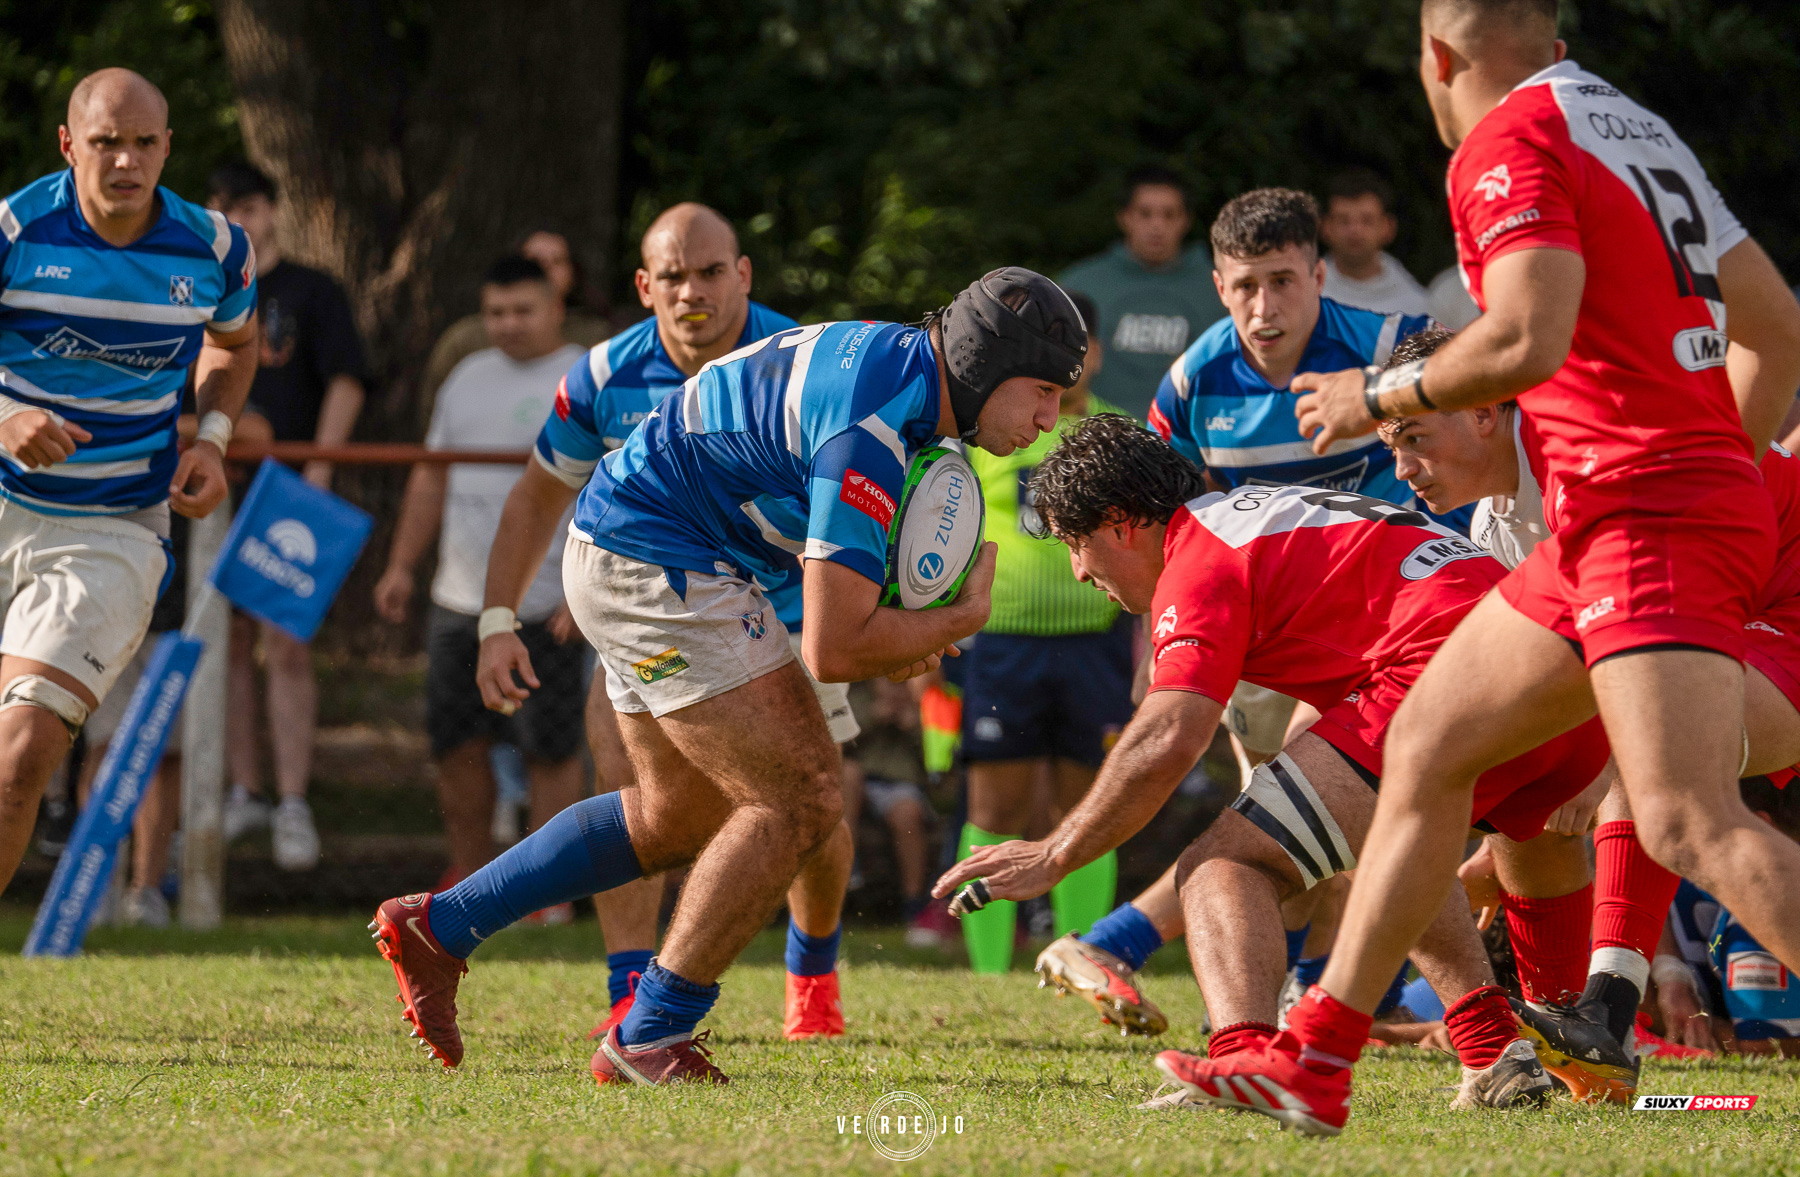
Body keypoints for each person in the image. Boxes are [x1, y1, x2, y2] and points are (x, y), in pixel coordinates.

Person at [1204, 0, 1800, 1134]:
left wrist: (1375, 395)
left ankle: (1343, 1047)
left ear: (1438, 56)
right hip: (1611, 523)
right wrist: (1715, 465)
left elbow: (1527, 336)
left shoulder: (1508, 140)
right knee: (1424, 750)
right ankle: (1314, 1059)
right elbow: (1776, 329)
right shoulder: (1634, 125)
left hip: (1641, 515)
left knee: (1687, 821)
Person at [367, 267, 1084, 1084]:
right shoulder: (877, 423)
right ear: (984, 364)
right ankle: (648, 1034)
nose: (1047, 417)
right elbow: (833, 648)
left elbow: (847, 611)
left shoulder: (906, 378)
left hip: (644, 545)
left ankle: (441, 926)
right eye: (1040, 391)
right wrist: (954, 621)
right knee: (804, 793)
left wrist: (902, 630)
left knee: (678, 815)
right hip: (659, 558)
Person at [931, 416, 1612, 1119]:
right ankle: (1519, 1050)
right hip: (1558, 681)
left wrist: (1055, 852)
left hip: (1444, 678)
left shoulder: (1197, 558)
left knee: (1222, 863)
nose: (1079, 569)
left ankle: (1244, 1063)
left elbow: (1171, 735)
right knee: (1383, 840)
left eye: (1077, 544)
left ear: (1119, 523)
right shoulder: (1248, 515)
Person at [0, 68, 258, 896]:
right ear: (69, 145)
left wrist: (213, 440)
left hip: (109, 527)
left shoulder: (216, 248)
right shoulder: (15, 228)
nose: (125, 160)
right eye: (106, 142)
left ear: (168, 147)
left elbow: (234, 342)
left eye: (144, 143)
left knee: (22, 754)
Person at [372, 255, 588, 909]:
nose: (508, 325)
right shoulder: (465, 376)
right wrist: (403, 564)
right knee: (455, 743)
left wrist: (585, 591)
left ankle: (549, 898)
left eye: (523, 310)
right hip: (459, 598)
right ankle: (470, 885)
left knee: (549, 752)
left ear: (556, 307)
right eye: (495, 312)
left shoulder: (585, 376)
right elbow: (431, 474)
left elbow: (612, 489)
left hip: (547, 601)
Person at [955, 290, 1134, 974]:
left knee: (1088, 806)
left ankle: (1082, 960)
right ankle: (990, 973)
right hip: (1004, 644)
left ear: (1097, 352)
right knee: (993, 802)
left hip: (1098, 645)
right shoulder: (987, 431)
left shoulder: (1118, 433)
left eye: (1079, 344)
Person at [207, 160, 368, 871]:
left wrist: (321, 465)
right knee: (229, 642)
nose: (242, 218)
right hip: (215, 483)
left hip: (291, 489)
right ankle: (245, 789)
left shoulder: (313, 289)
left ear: (272, 209)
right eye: (225, 207)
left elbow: (347, 378)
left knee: (287, 641)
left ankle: (294, 802)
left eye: (250, 204)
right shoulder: (202, 287)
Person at [1058, 165, 1226, 419]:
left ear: (1186, 220)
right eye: (1145, 214)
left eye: (1169, 215)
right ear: (1124, 217)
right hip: (1097, 438)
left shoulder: (1221, 288)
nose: (1157, 226)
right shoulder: (1079, 286)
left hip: (1192, 436)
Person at [417, 228, 610, 430]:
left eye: (557, 262)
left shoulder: (597, 339)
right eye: (535, 261)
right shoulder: (465, 342)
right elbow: (435, 413)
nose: (510, 325)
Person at [1318, 169, 1431, 316]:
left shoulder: (1417, 306)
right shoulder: (1307, 296)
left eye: (1367, 220)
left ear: (1388, 227)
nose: (1355, 230)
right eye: (1343, 220)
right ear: (1326, 226)